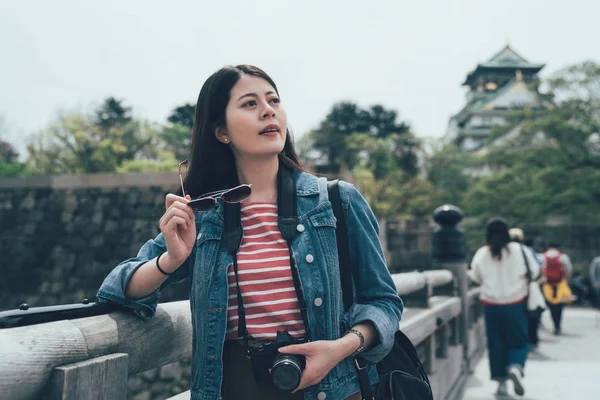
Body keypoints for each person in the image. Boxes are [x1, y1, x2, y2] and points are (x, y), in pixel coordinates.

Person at [96, 65, 403, 400]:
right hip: (238, 387)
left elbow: (383, 301)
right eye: (250, 104)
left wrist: (342, 347)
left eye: (273, 100)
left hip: (335, 387)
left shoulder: (335, 201)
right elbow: (119, 288)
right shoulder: (206, 216)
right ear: (221, 132)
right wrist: (171, 259)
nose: (268, 110)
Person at [470, 218, 539, 397]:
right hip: (516, 304)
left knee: (496, 343)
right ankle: (515, 367)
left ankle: (501, 383)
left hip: (492, 305)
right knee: (518, 340)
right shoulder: (519, 250)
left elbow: (476, 276)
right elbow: (535, 271)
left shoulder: (482, 253)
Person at [509, 230, 544, 350]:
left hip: (508, 290)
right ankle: (531, 340)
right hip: (526, 288)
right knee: (531, 315)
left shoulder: (502, 250)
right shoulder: (527, 250)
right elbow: (536, 269)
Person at [542, 243, 574, 335]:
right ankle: (557, 325)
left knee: (551, 305)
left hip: (547, 285)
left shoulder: (543, 256)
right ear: (558, 248)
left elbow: (541, 270)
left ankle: (551, 322)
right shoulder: (563, 257)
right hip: (560, 284)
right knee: (559, 306)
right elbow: (568, 270)